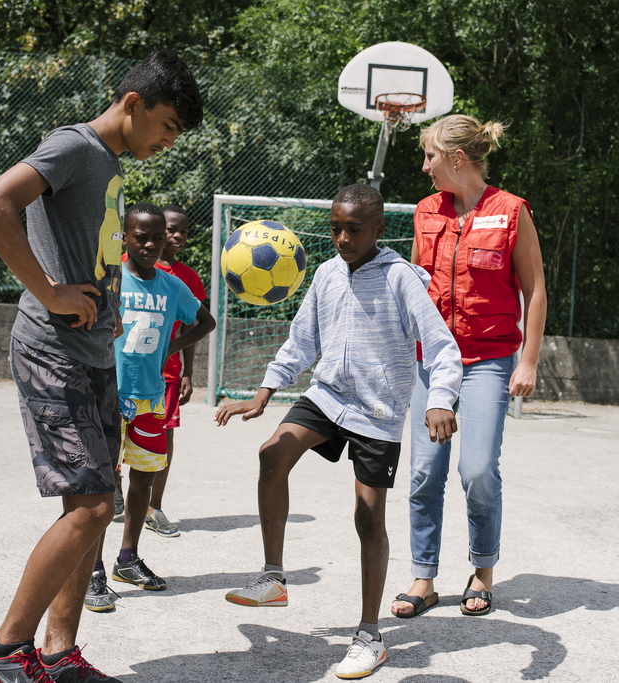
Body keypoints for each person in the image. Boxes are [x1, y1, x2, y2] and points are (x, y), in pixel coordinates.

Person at [0, 51, 203, 683]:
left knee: (85, 505)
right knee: (96, 507)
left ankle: (59, 653)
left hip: (96, 353)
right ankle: (4, 651)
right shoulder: (72, 146)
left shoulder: (108, 163)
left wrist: (113, 309)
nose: (168, 141)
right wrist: (49, 292)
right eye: (169, 126)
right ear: (135, 103)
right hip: (53, 351)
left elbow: (90, 249)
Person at [215, 184, 462, 680]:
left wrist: (439, 399)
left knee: (368, 518)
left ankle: (369, 635)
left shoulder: (401, 279)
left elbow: (441, 346)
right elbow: (302, 340)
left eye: (353, 229)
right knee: (272, 454)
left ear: (378, 229)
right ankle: (273, 578)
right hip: (328, 397)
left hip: (378, 411)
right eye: (335, 228)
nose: (342, 237)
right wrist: (266, 390)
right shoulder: (326, 274)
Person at [392, 114, 546, 620]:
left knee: (477, 469)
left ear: (457, 159)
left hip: (489, 359)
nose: (424, 166)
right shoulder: (424, 211)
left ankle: (482, 570)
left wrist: (528, 360)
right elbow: (415, 287)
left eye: (430, 156)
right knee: (422, 471)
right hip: (432, 362)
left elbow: (535, 288)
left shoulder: (511, 211)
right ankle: (424, 576)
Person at [84, 203, 215, 613]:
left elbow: (205, 321)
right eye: (141, 236)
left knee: (143, 479)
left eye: (158, 237)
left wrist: (169, 350)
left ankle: (128, 558)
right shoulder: (110, 280)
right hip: (109, 395)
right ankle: (93, 570)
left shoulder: (171, 285)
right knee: (104, 487)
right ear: (125, 237)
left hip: (151, 398)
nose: (152, 244)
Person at [147, 204, 208, 538]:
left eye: (183, 230)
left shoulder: (188, 278)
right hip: (128, 371)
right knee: (116, 430)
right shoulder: (130, 267)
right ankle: (113, 485)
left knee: (164, 437)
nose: (178, 236)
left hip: (167, 373)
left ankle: (154, 507)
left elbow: (193, 326)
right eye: (171, 229)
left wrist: (187, 371)